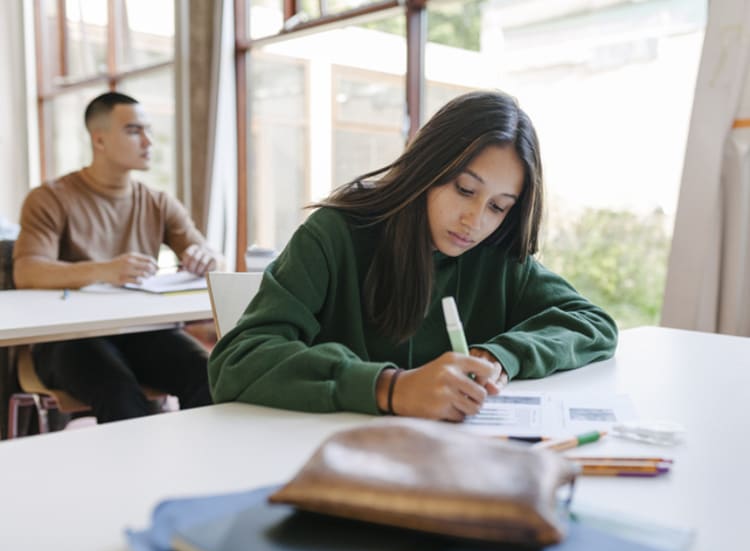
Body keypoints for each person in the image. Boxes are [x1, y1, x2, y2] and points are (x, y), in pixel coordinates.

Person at [208, 90, 618, 421]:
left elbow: (593, 323)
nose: (475, 221)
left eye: (498, 206)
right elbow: (238, 361)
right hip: (329, 462)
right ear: (427, 169)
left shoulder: (498, 256)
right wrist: (390, 388)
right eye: (464, 189)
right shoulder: (335, 235)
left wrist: (499, 356)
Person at [13, 91, 220, 423]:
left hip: (142, 331)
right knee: (117, 389)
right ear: (99, 140)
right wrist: (105, 270)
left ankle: (207, 470)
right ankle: (133, 476)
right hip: (68, 338)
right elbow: (27, 271)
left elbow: (209, 254)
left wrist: (205, 256)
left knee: (212, 375)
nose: (149, 141)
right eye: (134, 130)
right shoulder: (50, 198)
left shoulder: (158, 202)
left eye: (148, 130)